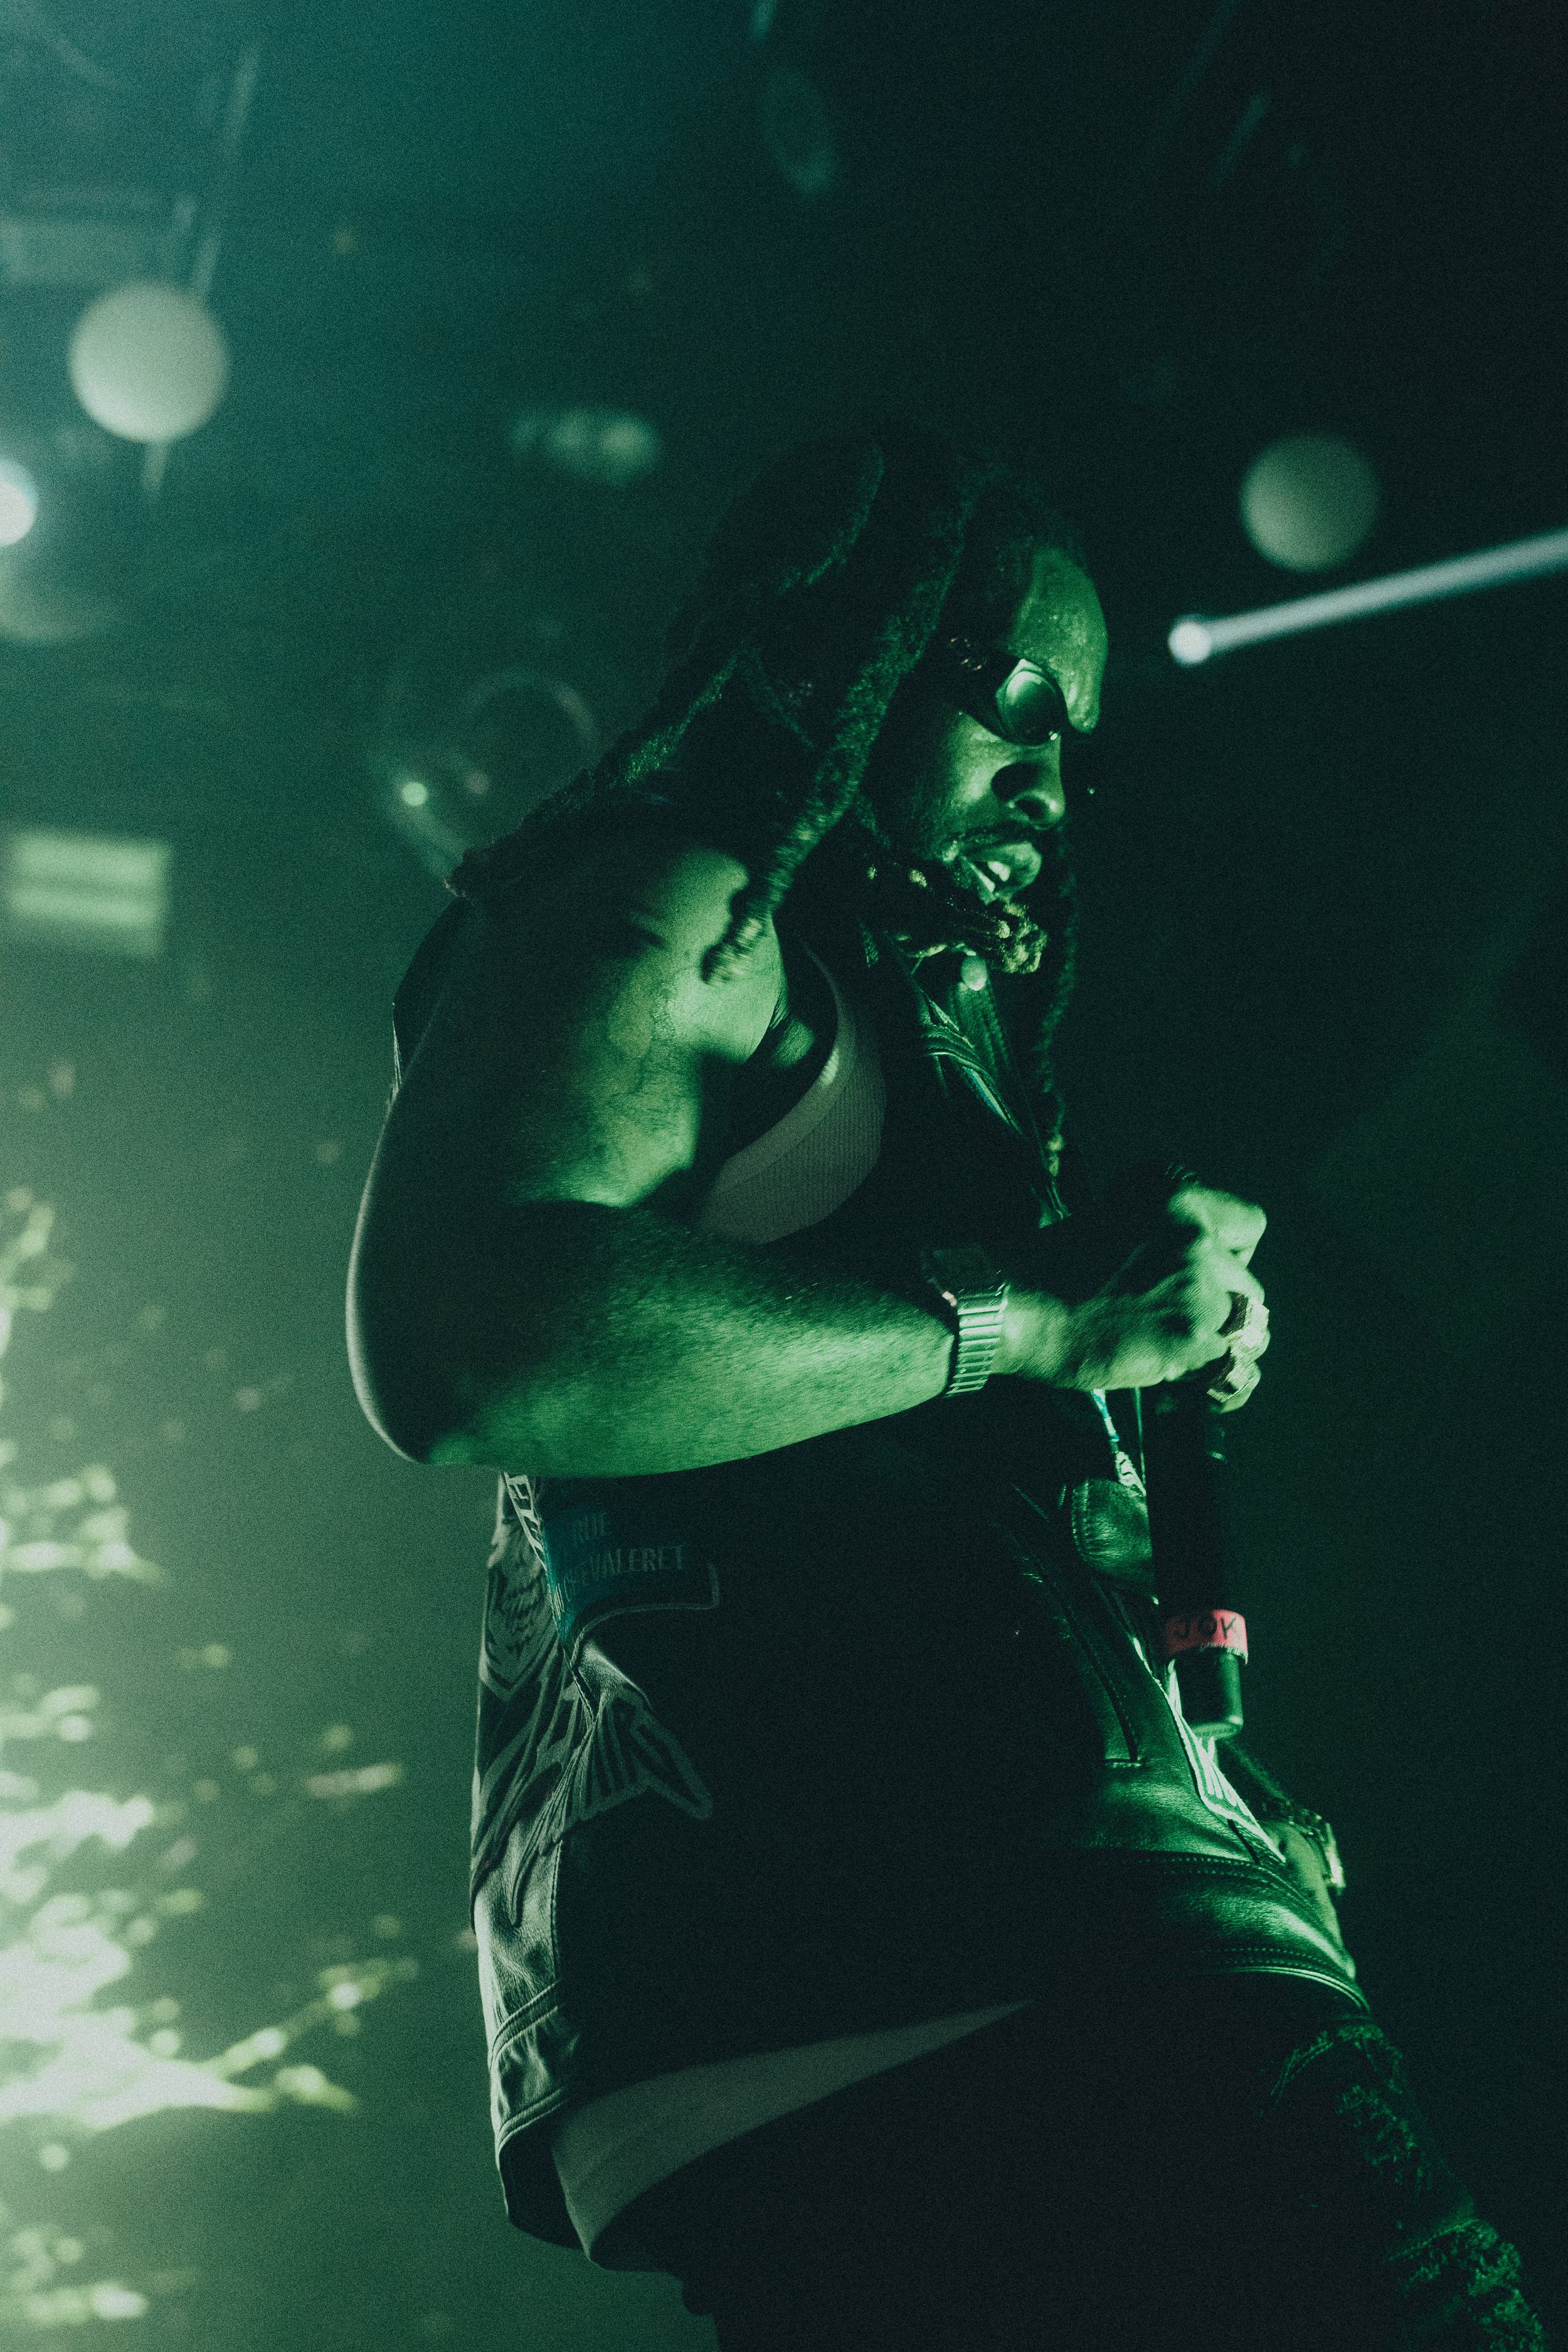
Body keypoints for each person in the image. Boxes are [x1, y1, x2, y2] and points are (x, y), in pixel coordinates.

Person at [346, 426, 1548, 2349]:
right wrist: (1037, 1322)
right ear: (834, 646)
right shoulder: (668, 899)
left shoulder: (875, 987)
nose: (1044, 774)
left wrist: (1208, 1761)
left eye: (1074, 731)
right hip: (961, 1962)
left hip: (891, 1982)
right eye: (1007, 696)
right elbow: (471, 1342)